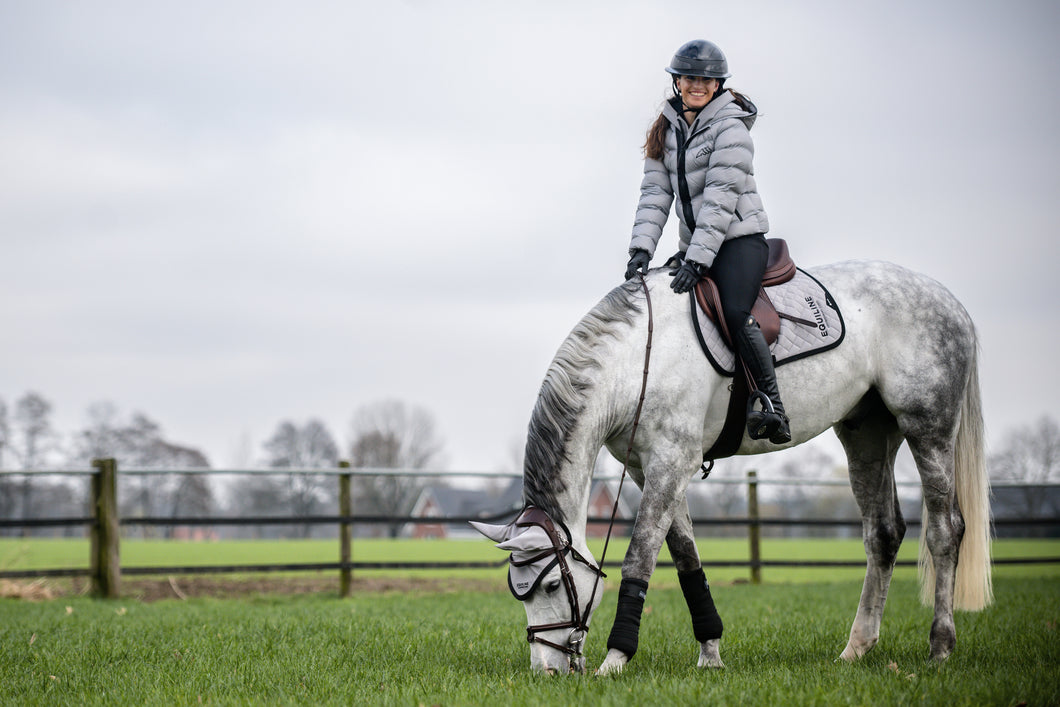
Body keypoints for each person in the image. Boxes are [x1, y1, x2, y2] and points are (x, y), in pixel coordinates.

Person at [623, 39, 790, 444]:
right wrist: (641, 250)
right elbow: (655, 194)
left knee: (734, 310)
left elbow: (719, 202)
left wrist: (696, 261)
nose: (697, 84)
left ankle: (773, 406)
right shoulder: (666, 129)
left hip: (738, 242)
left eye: (706, 79)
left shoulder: (731, 129)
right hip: (697, 246)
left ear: (717, 85)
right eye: (690, 78)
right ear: (677, 82)